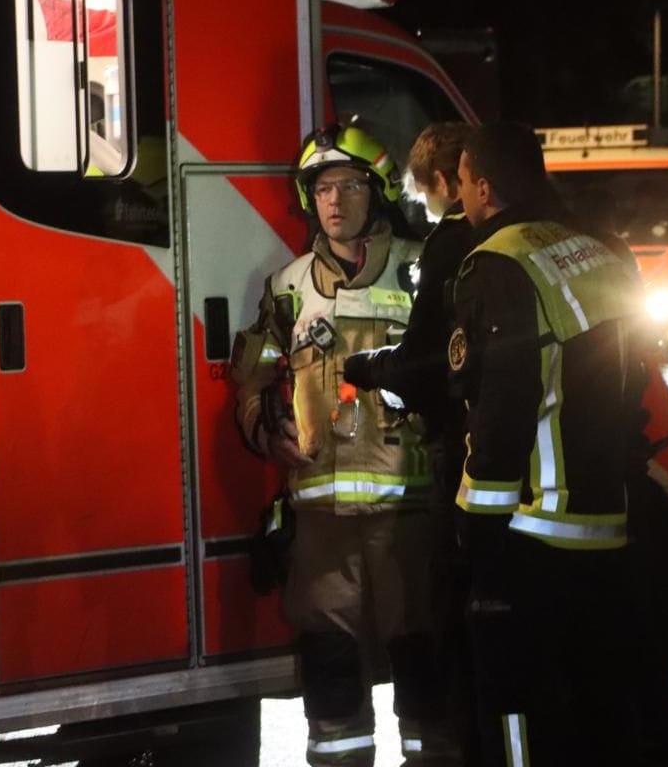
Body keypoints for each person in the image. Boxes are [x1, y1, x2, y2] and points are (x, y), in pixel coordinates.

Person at [233, 124, 451, 766]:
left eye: (347, 185)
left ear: (377, 190)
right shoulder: (288, 286)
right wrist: (264, 427)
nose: (332, 200)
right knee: (329, 682)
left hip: (409, 515)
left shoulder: (426, 270)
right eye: (321, 188)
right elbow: (252, 375)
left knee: (425, 672)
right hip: (321, 525)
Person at [448, 122, 647, 765]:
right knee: (598, 697)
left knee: (513, 699)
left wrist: (478, 535)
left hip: (534, 531)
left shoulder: (497, 262)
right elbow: (634, 375)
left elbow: (502, 407)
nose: (459, 198)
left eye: (459, 183)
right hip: (607, 524)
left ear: (481, 184)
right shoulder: (602, 249)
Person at [340, 121, 478, 765]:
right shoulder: (537, 234)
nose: (421, 212)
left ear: (447, 183)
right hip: (551, 467)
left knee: (458, 613)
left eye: (423, 197)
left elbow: (427, 363)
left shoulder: (451, 243)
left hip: (469, 460)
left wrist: (369, 369)